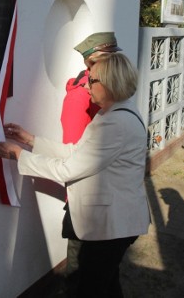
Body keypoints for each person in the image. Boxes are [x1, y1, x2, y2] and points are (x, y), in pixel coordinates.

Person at [0, 52, 150, 297]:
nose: (86, 86)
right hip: (114, 222)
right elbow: (75, 152)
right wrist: (31, 141)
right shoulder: (111, 113)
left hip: (113, 226)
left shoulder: (116, 123)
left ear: (110, 83)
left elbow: (69, 169)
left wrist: (19, 156)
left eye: (92, 80)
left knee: (90, 288)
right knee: (106, 285)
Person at [60, 32, 122, 289]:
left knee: (105, 276)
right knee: (81, 278)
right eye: (113, 58)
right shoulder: (80, 98)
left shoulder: (108, 91)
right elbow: (73, 154)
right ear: (94, 62)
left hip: (107, 198)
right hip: (87, 203)